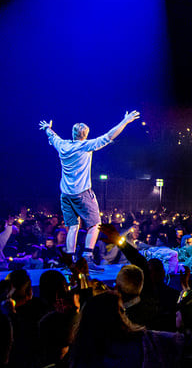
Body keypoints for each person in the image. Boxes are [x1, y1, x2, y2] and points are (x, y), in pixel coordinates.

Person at [38, 110, 141, 265]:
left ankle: (70, 258)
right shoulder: (86, 146)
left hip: (65, 194)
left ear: (73, 134)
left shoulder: (63, 145)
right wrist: (125, 121)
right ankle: (87, 256)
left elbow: (52, 136)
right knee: (95, 225)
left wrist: (47, 127)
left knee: (73, 226)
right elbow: (109, 135)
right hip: (82, 193)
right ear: (85, 135)